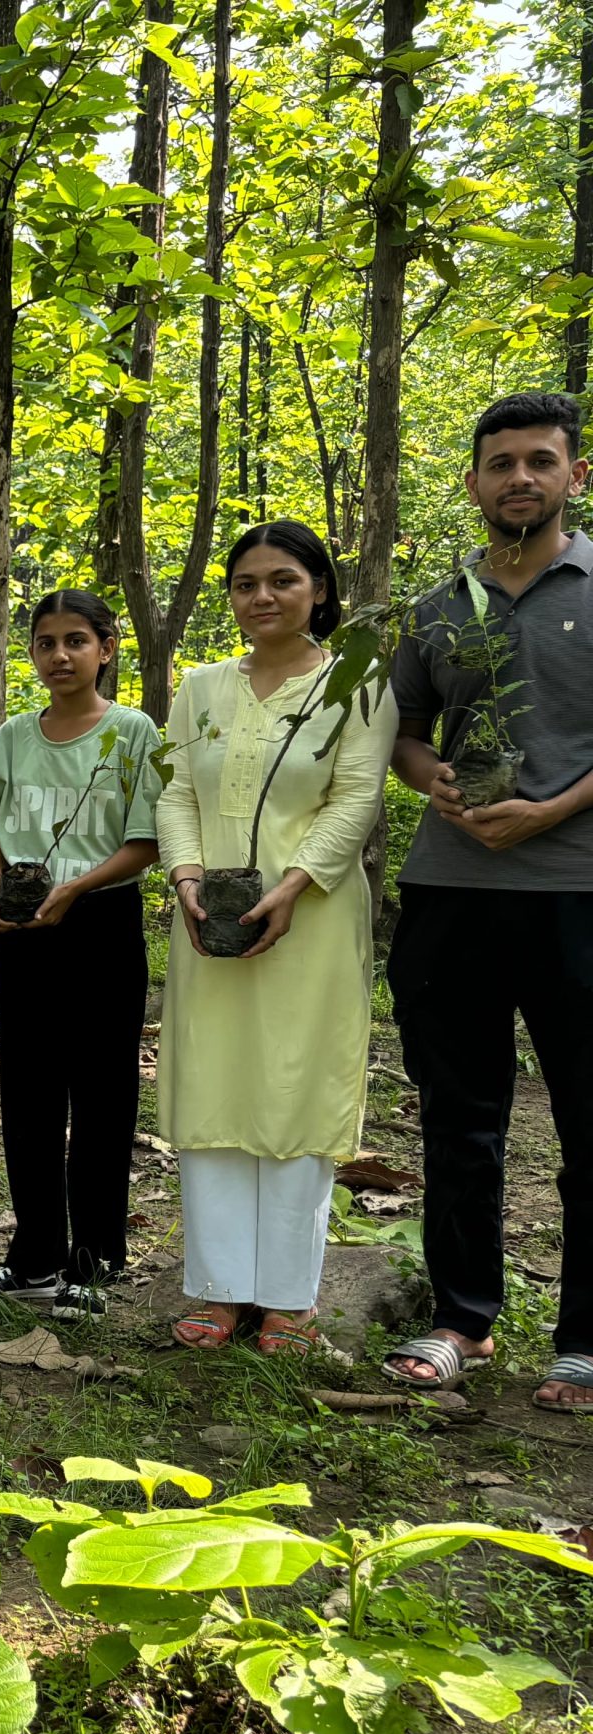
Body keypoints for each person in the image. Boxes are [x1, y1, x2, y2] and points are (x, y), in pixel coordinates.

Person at [382, 392, 593, 1409]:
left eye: (538, 462)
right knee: (459, 1121)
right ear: (471, 482)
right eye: (500, 463)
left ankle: (584, 1340)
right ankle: (462, 1317)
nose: (519, 478)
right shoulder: (436, 607)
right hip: (450, 890)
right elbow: (404, 731)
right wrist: (440, 791)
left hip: (576, 891)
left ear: (572, 477)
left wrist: (551, 810)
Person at [155, 521, 393, 1355]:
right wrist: (186, 879)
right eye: (246, 583)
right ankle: (219, 1290)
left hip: (314, 920)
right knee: (215, 1081)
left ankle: (289, 1296)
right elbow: (176, 791)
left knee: (294, 1084)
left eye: (282, 581)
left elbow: (355, 797)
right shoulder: (201, 688)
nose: (263, 597)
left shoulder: (356, 684)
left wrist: (294, 886)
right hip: (207, 918)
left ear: (319, 590)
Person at [0, 590, 161, 1318]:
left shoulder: (134, 731)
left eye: (77, 641)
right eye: (46, 643)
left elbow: (147, 838)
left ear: (106, 648)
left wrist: (77, 887)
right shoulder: (15, 734)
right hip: (23, 929)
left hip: (101, 922)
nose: (60, 656)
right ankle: (34, 1254)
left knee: (103, 1092)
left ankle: (97, 1258)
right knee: (28, 1093)